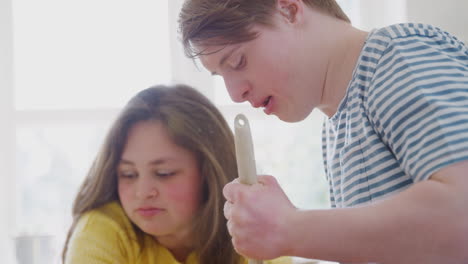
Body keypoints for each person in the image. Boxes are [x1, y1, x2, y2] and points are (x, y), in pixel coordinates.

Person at [179, 0, 468, 263]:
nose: (235, 94)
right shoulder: (338, 127)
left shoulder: (400, 56)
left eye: (237, 61)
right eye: (221, 76)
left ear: (289, 11)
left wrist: (287, 228)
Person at [62, 84, 291, 264]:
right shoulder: (103, 230)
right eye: (128, 174)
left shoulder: (254, 230)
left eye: (164, 173)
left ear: (208, 174)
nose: (143, 192)